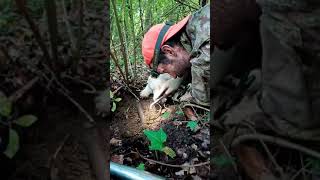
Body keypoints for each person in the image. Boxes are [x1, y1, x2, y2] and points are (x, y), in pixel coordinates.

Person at [141, 3, 210, 107]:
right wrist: (178, 80)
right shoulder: (197, 23)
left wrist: (177, 95)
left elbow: (201, 98)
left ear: (169, 51)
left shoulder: (205, 45)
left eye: (165, 70)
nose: (173, 76)